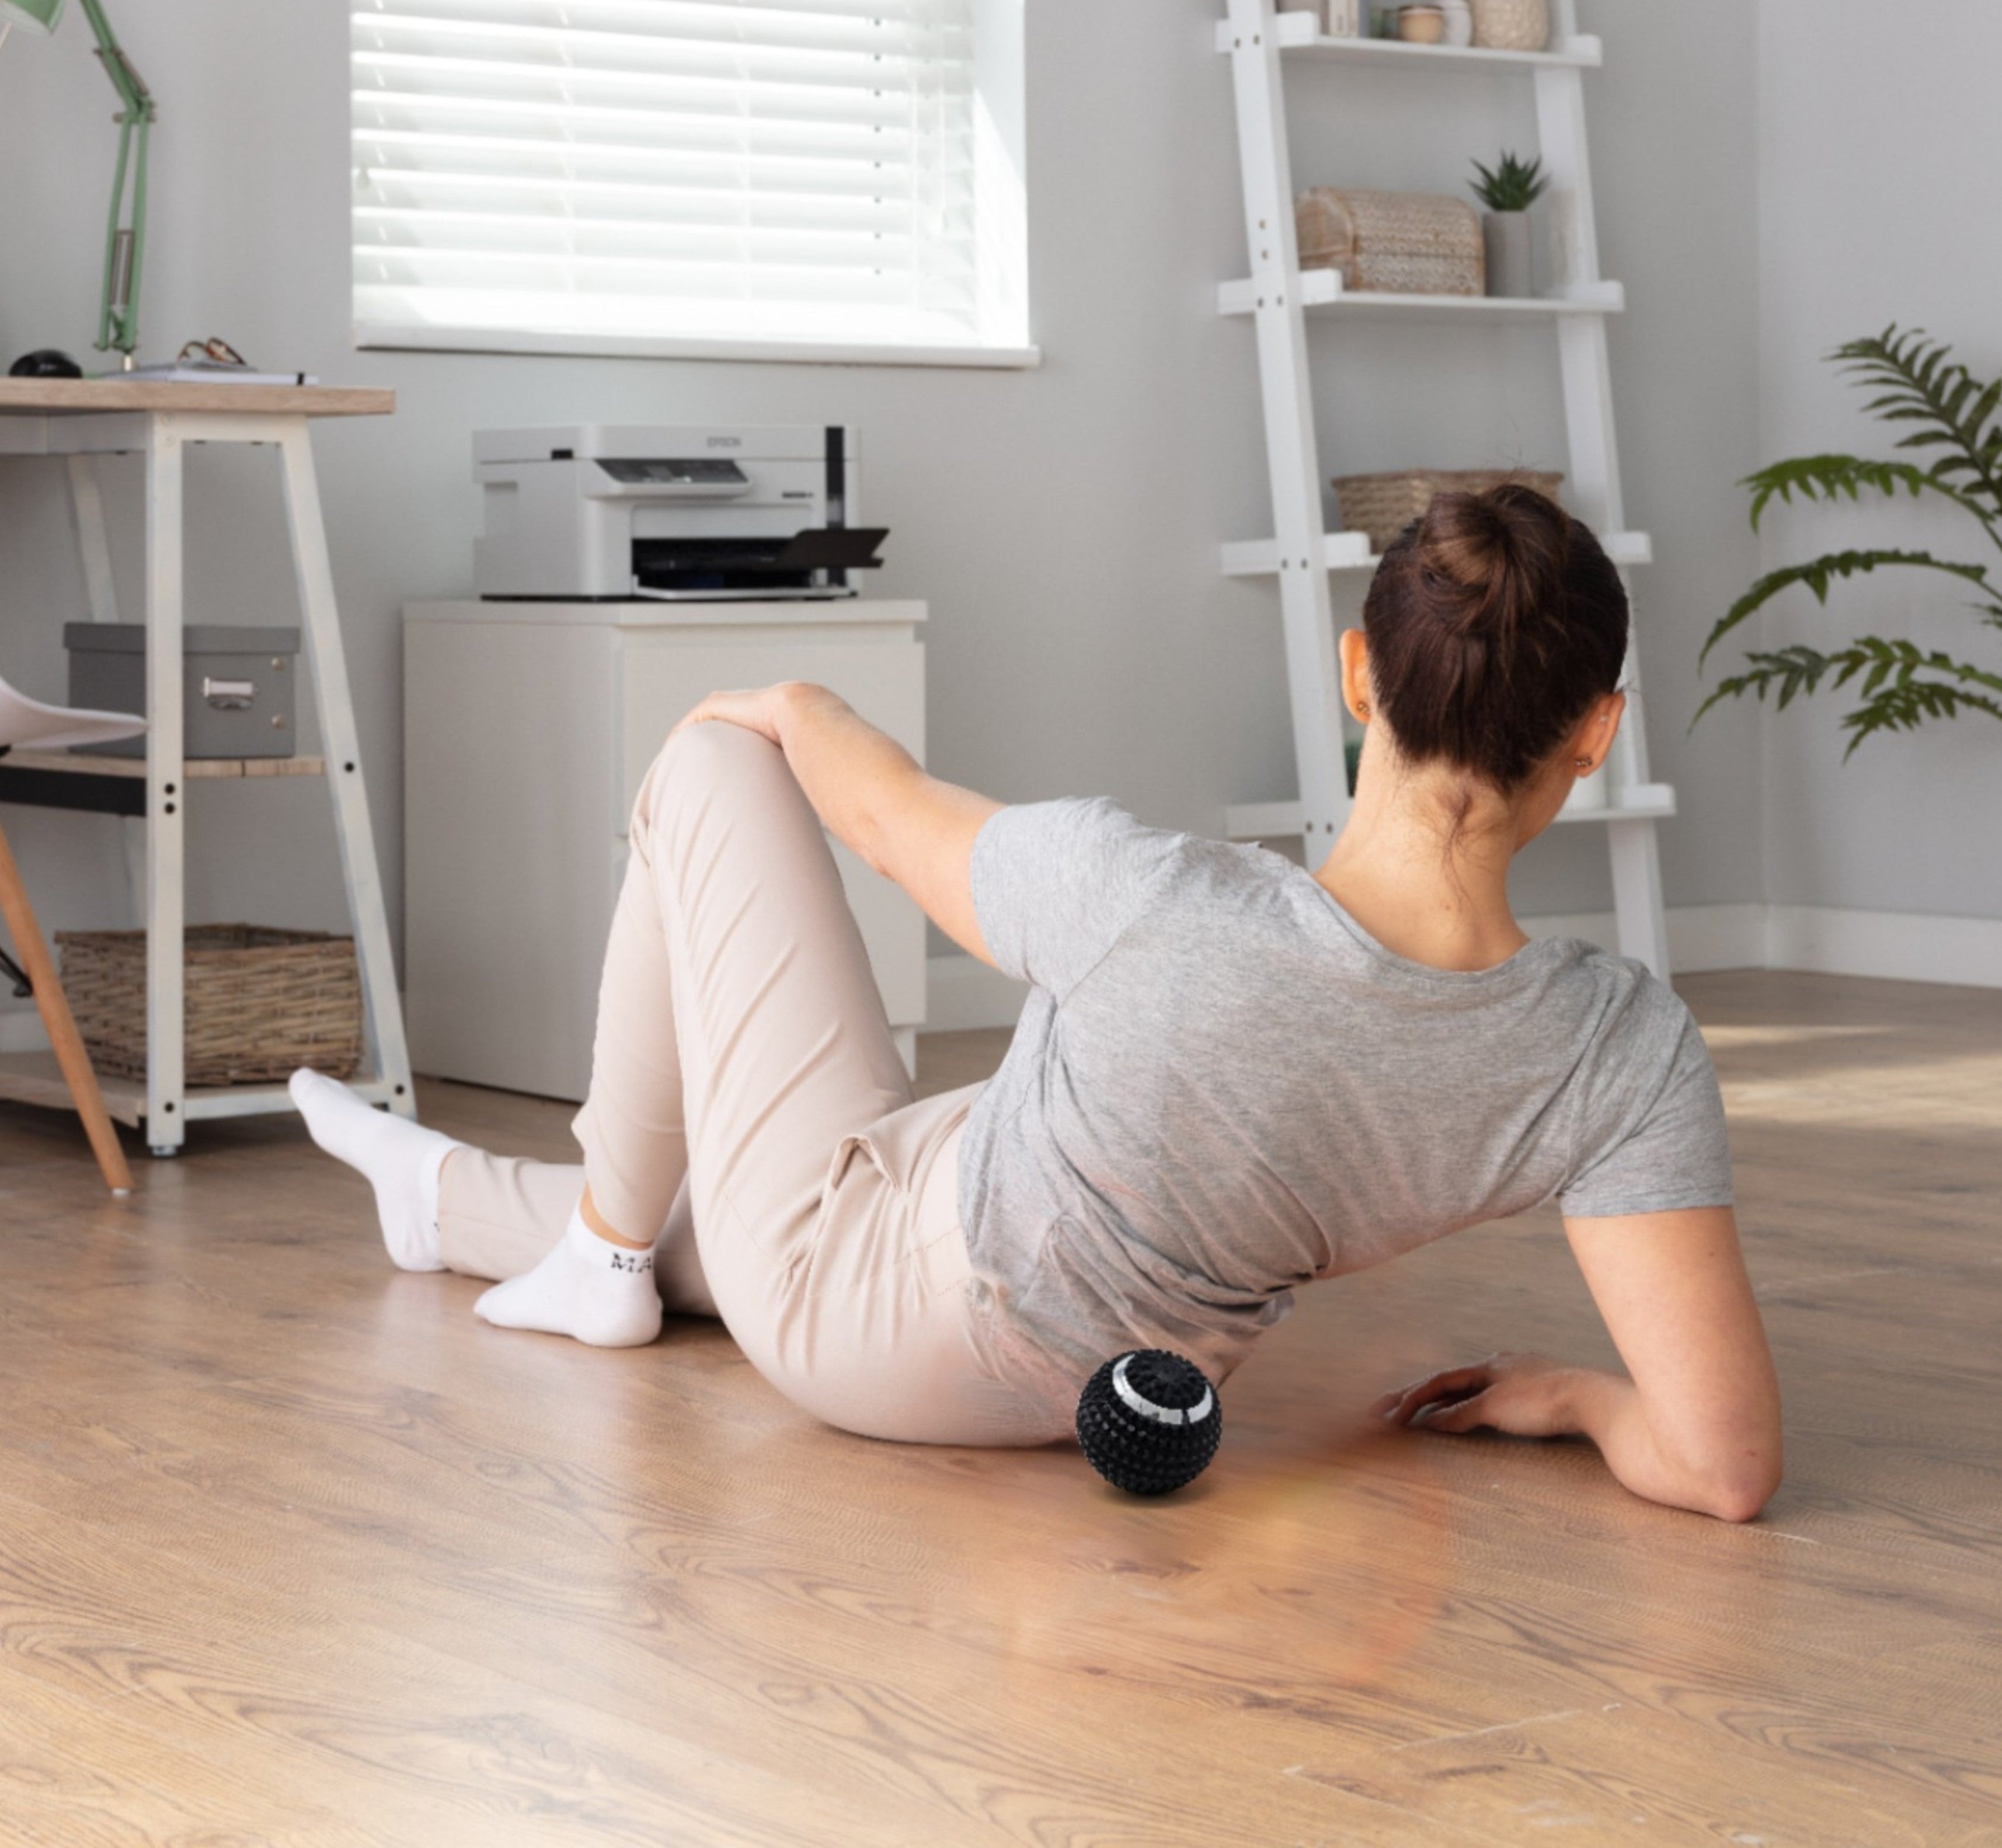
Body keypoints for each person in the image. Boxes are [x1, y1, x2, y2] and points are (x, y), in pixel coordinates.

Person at [297, 484, 1781, 1522]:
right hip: (1105, 1358)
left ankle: (606, 1256)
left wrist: (793, 702)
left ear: (1357, 677)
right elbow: (1724, 1466)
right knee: (858, 1151)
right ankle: (440, 1201)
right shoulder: (1618, 1048)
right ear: (1596, 733)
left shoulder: (1154, 903)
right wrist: (1574, 1403)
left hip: (873, 1309)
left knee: (705, 769)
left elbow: (874, 813)